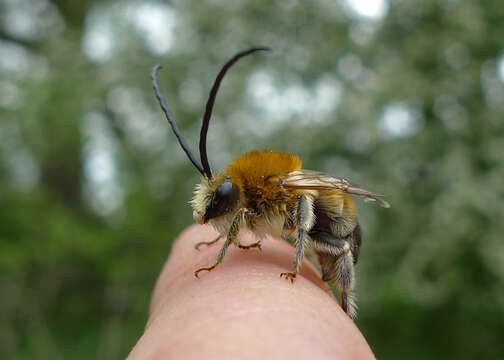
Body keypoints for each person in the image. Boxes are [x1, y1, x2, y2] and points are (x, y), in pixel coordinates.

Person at [128, 225, 375, 359]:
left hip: (337, 226)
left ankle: (346, 302)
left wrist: (297, 263)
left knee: (338, 247)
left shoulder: (274, 195)